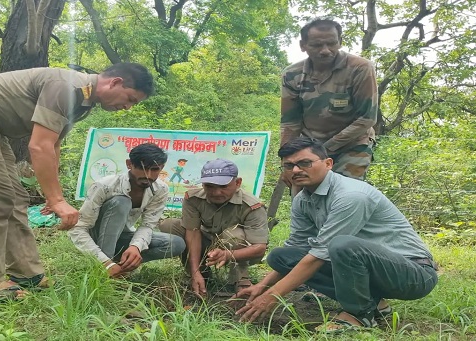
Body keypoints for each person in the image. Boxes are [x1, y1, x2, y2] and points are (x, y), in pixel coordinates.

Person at [0, 63, 154, 298]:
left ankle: (26, 273)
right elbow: (38, 146)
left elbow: (53, 145)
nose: (127, 107)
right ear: (115, 82)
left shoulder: (83, 102)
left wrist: (52, 194)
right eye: (130, 99)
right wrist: (56, 200)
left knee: (15, 197)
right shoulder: (67, 87)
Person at [235, 137, 438, 333]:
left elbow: (319, 255)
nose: (296, 170)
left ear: (328, 163)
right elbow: (298, 249)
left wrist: (272, 296)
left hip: (413, 274)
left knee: (341, 246)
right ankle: (374, 303)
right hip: (372, 268)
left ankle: (359, 316)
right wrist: (262, 287)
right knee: (281, 257)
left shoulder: (351, 196)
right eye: (289, 166)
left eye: (304, 163)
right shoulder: (302, 199)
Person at [268, 18, 379, 226]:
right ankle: (303, 247)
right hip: (310, 145)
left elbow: (366, 118)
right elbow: (290, 123)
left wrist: (324, 150)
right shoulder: (292, 74)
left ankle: (342, 247)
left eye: (332, 43)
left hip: (352, 143)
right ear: (303, 46)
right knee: (301, 194)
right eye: (317, 45)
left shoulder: (360, 68)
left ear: (340, 41)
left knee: (346, 195)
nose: (325, 50)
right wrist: (288, 163)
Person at [68, 143, 186, 278]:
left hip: (123, 236)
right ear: (129, 164)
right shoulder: (105, 185)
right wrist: (104, 261)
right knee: (121, 202)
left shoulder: (160, 189)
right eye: (143, 168)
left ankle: (122, 265)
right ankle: (105, 267)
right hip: (96, 236)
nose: (148, 175)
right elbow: (78, 228)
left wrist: (135, 247)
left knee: (176, 243)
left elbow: (147, 225)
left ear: (162, 168)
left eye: (154, 169)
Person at [160, 159, 269, 296]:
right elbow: (192, 233)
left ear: (237, 183)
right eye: (210, 186)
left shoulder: (252, 206)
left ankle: (241, 279)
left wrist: (227, 255)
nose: (216, 192)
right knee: (170, 226)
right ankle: (200, 275)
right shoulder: (193, 198)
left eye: (223, 187)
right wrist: (195, 271)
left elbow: (259, 248)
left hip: (239, 249)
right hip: (206, 243)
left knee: (234, 235)